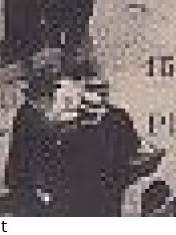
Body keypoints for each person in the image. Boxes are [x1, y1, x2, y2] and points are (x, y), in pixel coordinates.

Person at [59, 76, 143, 216]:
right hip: (89, 189)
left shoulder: (118, 117)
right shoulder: (73, 122)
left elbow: (133, 146)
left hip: (106, 187)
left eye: (102, 92)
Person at [4, 66, 62, 214]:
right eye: (51, 97)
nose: (53, 102)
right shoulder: (31, 119)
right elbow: (33, 156)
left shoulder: (28, 113)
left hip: (25, 182)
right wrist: (41, 187)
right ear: (41, 98)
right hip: (29, 184)